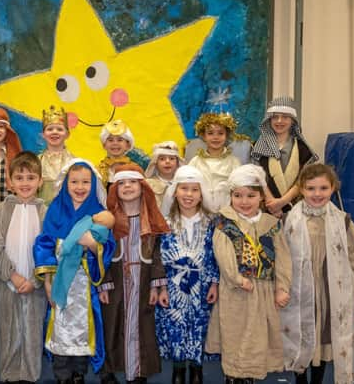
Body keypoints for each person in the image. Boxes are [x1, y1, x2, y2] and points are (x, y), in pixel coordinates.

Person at [280, 163, 354, 384]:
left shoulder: (342, 221)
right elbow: (281, 258)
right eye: (311, 188)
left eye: (323, 188)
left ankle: (317, 380)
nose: (317, 194)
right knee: (301, 334)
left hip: (330, 289)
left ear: (333, 188)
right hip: (300, 289)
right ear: (301, 189)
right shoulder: (289, 220)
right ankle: (300, 379)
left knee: (325, 337)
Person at [205, 164, 292, 384]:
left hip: (263, 290)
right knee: (235, 334)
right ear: (231, 196)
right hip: (236, 290)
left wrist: (282, 287)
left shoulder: (271, 224)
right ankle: (233, 375)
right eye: (238, 196)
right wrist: (237, 279)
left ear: (261, 197)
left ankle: (250, 376)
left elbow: (283, 258)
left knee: (256, 336)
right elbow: (223, 255)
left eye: (251, 196)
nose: (244, 201)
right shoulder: (224, 222)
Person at [33, 159, 116, 384]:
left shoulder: (99, 212)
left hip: (85, 285)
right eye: (74, 182)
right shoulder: (55, 210)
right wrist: (48, 283)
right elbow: (44, 244)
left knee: (83, 328)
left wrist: (92, 245)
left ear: (94, 185)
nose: (80, 187)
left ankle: (79, 373)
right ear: (65, 183)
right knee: (60, 327)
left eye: (85, 182)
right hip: (59, 280)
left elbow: (108, 247)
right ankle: (62, 375)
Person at [99, 164, 171, 384]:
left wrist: (156, 285)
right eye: (121, 183)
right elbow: (100, 254)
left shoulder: (152, 219)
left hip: (143, 280)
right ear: (115, 188)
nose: (127, 186)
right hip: (117, 281)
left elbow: (158, 253)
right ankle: (110, 370)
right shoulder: (107, 220)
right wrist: (104, 283)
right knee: (112, 325)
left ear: (142, 187)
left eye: (132, 182)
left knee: (142, 326)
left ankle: (138, 372)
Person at [155, 166, 219, 384]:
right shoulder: (165, 223)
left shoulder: (212, 222)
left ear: (202, 194)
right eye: (184, 189)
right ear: (175, 191)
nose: (189, 194)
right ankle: (179, 369)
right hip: (173, 285)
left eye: (194, 190)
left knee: (200, 324)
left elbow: (214, 254)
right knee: (176, 325)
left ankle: (197, 368)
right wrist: (162, 286)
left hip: (202, 284)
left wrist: (214, 283)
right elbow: (160, 256)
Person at [0, 151, 48, 383]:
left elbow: (48, 249)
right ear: (10, 182)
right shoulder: (1, 209)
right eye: (19, 177)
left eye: (30, 177)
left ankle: (29, 375)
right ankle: (9, 374)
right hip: (8, 282)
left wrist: (35, 280)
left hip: (35, 283)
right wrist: (12, 275)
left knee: (32, 331)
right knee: (8, 331)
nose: (25, 183)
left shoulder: (45, 211)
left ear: (40, 182)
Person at [250, 96, 318, 217]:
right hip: (267, 210)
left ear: (292, 120)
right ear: (269, 120)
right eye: (275, 117)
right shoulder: (257, 147)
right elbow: (256, 177)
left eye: (285, 117)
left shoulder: (303, 149)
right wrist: (272, 204)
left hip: (297, 210)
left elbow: (303, 180)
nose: (279, 121)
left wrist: (282, 202)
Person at [188, 112, 240, 203]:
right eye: (210, 133)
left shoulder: (233, 162)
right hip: (200, 206)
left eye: (220, 133)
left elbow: (240, 186)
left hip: (226, 207)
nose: (215, 137)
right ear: (204, 136)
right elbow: (187, 183)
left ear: (226, 136)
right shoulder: (196, 161)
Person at [39, 105, 75, 205]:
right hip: (43, 215)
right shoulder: (36, 162)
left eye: (59, 129)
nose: (54, 132)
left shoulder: (75, 162)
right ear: (43, 134)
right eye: (50, 129)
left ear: (67, 134)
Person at [144, 140, 184, 209]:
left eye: (172, 158)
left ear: (178, 162)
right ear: (155, 163)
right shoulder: (148, 184)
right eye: (162, 159)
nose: (167, 161)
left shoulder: (184, 183)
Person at [97, 120, 135, 189]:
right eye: (110, 140)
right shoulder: (98, 170)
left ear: (128, 145)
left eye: (120, 140)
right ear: (104, 145)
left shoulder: (134, 169)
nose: (115, 143)